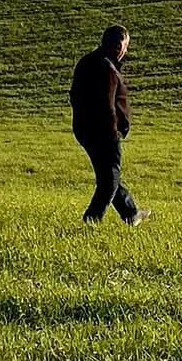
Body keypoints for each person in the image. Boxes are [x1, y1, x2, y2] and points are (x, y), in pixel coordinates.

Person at [69, 25, 148, 227]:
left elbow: (74, 95)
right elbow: (107, 106)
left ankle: (131, 213)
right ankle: (91, 220)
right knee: (110, 179)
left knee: (108, 175)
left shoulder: (87, 62)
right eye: (125, 46)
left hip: (84, 130)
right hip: (104, 133)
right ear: (117, 45)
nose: (126, 52)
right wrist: (114, 132)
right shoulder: (106, 68)